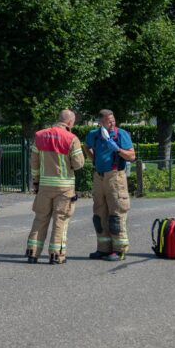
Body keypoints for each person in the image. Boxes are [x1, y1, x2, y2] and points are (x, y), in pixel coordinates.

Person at [25, 110, 85, 264]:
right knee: (60, 220)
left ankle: (33, 253)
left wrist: (36, 182)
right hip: (64, 187)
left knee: (40, 219)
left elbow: (34, 164)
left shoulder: (39, 136)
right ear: (70, 122)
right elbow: (78, 164)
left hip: (45, 186)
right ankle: (56, 255)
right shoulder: (72, 138)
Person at [83, 109, 136, 261]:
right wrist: (93, 159)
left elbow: (132, 156)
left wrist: (118, 149)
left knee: (116, 214)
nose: (112, 123)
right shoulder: (94, 134)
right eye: (108, 121)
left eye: (113, 120)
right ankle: (104, 249)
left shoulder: (121, 134)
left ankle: (120, 251)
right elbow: (87, 146)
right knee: (99, 215)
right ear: (100, 122)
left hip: (115, 177)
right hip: (99, 177)